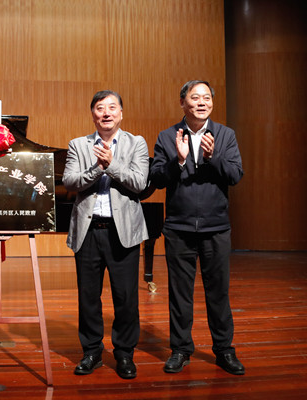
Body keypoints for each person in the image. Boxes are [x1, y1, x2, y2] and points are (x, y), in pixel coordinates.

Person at [150, 80, 245, 375]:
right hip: (178, 227)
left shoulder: (225, 135)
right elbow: (156, 178)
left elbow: (235, 175)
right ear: (183, 103)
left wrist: (212, 157)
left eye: (207, 97)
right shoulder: (167, 136)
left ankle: (224, 350)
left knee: (218, 292)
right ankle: (180, 349)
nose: (202, 102)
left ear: (212, 103)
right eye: (195, 97)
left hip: (216, 227)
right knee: (180, 293)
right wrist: (178, 161)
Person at [63, 90, 149, 379]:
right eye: (100, 108)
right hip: (88, 231)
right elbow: (70, 181)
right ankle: (91, 352)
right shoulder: (79, 145)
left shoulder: (136, 143)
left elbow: (139, 183)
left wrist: (111, 165)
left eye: (112, 107)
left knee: (126, 297)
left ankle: (124, 353)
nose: (106, 113)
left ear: (121, 114)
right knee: (88, 296)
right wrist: (95, 169)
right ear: (93, 114)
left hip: (122, 231)